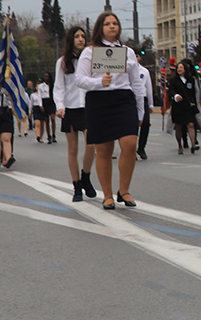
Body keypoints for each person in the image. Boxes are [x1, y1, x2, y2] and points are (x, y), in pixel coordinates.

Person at [73, 11, 148, 209]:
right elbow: (79, 79)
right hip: (99, 100)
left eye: (115, 23)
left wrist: (141, 110)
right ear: (100, 27)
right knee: (104, 149)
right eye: (107, 24)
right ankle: (107, 195)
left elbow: (136, 83)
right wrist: (99, 82)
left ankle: (124, 190)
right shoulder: (89, 52)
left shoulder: (128, 52)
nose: (112, 26)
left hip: (123, 99)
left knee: (130, 143)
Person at [55, 26, 97, 201]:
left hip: (88, 107)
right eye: (77, 36)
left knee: (91, 145)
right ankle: (76, 185)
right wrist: (60, 105)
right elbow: (59, 87)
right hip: (71, 108)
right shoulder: (62, 62)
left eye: (83, 36)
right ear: (71, 39)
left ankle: (86, 176)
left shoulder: (91, 59)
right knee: (72, 149)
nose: (80, 39)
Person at [168, 59, 199, 154]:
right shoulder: (173, 81)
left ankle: (193, 144)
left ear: (185, 69)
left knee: (191, 124)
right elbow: (171, 91)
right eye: (178, 68)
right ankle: (180, 145)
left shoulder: (191, 79)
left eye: (181, 67)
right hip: (178, 106)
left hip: (188, 106)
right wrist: (176, 96)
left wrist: (195, 103)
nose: (179, 69)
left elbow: (193, 92)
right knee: (179, 127)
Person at [134, 65, 153, 160]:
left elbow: (148, 87)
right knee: (132, 126)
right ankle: (131, 150)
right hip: (131, 99)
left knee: (145, 124)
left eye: (137, 56)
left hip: (143, 99)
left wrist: (151, 104)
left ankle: (141, 148)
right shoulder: (126, 69)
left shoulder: (144, 71)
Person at [39, 73, 57, 143]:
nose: (46, 78)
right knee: (46, 120)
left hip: (51, 101)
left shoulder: (53, 85)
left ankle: (53, 135)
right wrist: (41, 105)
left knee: (52, 118)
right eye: (45, 76)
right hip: (45, 102)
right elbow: (39, 96)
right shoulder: (41, 86)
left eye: (47, 76)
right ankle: (48, 136)